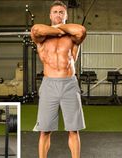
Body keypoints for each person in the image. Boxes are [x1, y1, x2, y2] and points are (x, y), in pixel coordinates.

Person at [31, 1, 86, 158]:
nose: (58, 14)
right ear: (50, 15)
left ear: (66, 15)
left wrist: (58, 28)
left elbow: (81, 30)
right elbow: (36, 29)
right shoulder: (41, 38)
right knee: (44, 130)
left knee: (73, 130)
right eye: (55, 12)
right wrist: (58, 30)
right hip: (49, 84)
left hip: (69, 84)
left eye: (61, 12)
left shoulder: (73, 37)